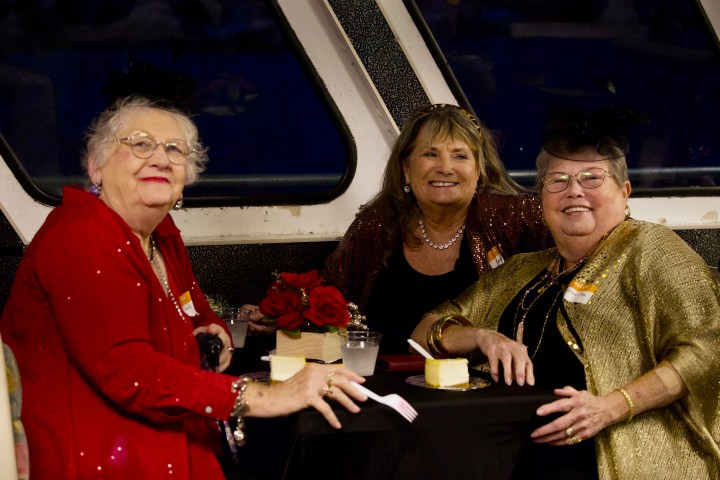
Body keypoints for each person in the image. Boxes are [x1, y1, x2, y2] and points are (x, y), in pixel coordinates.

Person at [0, 96, 366, 480]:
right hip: (97, 453)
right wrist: (266, 397)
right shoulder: (82, 233)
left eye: (175, 149)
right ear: (97, 167)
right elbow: (127, 370)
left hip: (164, 436)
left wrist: (218, 335)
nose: (161, 158)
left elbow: (199, 312)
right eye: (140, 144)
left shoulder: (161, 235)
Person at [411, 106, 720, 479]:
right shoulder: (522, 269)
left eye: (592, 178)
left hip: (615, 457)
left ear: (624, 193)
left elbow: (707, 351)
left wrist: (610, 407)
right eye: (557, 180)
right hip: (508, 456)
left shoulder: (651, 248)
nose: (574, 191)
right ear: (541, 200)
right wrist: (482, 337)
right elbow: (425, 330)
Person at [318, 103, 548, 353]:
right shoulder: (377, 224)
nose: (445, 168)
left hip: (485, 384)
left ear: (479, 170)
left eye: (460, 156)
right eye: (430, 154)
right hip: (380, 385)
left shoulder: (515, 217)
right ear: (406, 169)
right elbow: (327, 298)